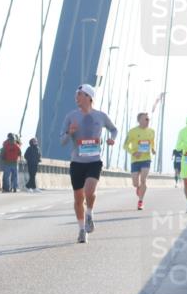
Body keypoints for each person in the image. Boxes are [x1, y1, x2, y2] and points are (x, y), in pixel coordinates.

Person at [60, 84, 117, 243]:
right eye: (76, 95)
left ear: (88, 97)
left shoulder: (101, 116)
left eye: (79, 94)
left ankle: (90, 213)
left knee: (89, 191)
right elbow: (62, 141)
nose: (76, 97)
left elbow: (113, 129)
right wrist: (69, 132)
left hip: (94, 161)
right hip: (77, 162)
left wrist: (113, 139)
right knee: (78, 199)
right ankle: (81, 230)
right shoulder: (71, 117)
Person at [123, 112, 156, 210]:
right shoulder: (132, 131)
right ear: (140, 120)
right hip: (135, 160)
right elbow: (125, 145)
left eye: (148, 119)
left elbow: (152, 142)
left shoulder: (151, 131)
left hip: (146, 159)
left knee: (143, 180)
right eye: (146, 119)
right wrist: (133, 153)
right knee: (135, 183)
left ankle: (140, 201)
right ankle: (138, 188)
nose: (148, 121)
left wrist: (153, 149)